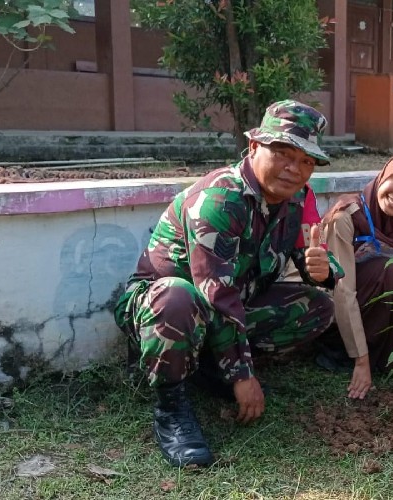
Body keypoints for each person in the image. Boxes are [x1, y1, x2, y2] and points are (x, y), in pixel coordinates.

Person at [114, 100, 344, 467]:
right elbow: (216, 296)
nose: (294, 169)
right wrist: (243, 375)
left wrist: (324, 269)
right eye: (283, 153)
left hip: (229, 304)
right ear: (254, 148)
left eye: (306, 161)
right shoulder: (219, 199)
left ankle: (209, 370)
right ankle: (171, 408)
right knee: (177, 296)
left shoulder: (295, 199)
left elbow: (305, 251)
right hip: (166, 309)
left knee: (316, 306)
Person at [318, 152, 393, 400]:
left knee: (391, 272)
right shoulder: (345, 217)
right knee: (383, 269)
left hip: (362, 305)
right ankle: (345, 353)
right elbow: (343, 290)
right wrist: (361, 361)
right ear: (383, 176)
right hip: (330, 313)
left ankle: (380, 357)